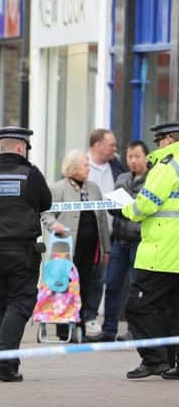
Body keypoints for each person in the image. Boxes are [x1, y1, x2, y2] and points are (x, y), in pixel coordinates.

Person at [0, 126, 51, 382]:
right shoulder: (30, 175)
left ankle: (8, 365)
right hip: (21, 251)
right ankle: (1, 362)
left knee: (0, 308)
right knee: (20, 303)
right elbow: (46, 202)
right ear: (21, 148)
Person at [122, 122, 179, 380]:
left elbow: (146, 205)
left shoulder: (167, 166)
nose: (157, 146)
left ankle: (154, 359)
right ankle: (173, 363)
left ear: (169, 139)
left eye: (159, 141)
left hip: (161, 253)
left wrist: (126, 208)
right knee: (173, 310)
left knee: (137, 307)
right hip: (174, 253)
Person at [41, 150, 111, 342]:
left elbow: (102, 220)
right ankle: (63, 330)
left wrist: (106, 248)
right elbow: (46, 214)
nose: (88, 168)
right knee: (64, 287)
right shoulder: (58, 188)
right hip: (67, 250)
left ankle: (78, 327)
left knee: (85, 288)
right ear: (73, 167)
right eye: (85, 165)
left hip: (90, 249)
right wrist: (55, 225)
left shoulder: (94, 188)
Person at [91, 141, 149, 342]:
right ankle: (109, 330)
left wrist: (130, 208)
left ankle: (135, 331)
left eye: (137, 156)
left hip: (140, 242)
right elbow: (113, 207)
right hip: (120, 240)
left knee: (136, 288)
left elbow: (146, 210)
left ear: (146, 157)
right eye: (129, 157)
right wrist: (131, 208)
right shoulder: (122, 177)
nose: (132, 161)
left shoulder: (153, 180)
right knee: (113, 284)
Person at [84, 129, 124, 337]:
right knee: (86, 277)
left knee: (102, 280)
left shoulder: (116, 167)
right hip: (88, 235)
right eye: (112, 145)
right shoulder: (81, 165)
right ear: (98, 145)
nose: (115, 149)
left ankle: (94, 319)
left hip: (112, 233)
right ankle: (82, 318)